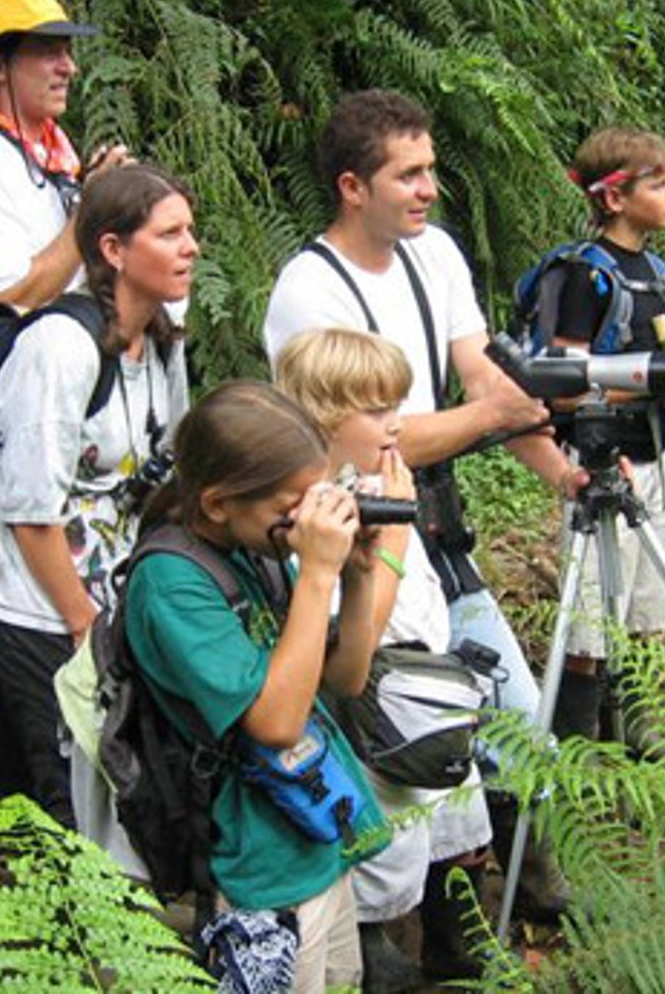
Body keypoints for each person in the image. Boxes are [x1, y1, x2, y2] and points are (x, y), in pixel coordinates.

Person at [263, 88, 579, 918]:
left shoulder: (433, 254)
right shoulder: (307, 288)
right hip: (356, 531)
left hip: (435, 524)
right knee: (402, 729)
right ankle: (434, 923)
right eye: (408, 175)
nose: (428, 189)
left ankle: (511, 894)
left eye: (431, 170)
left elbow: (484, 380)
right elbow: (368, 434)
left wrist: (560, 472)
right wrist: (490, 416)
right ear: (351, 186)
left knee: (507, 713)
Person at [0, 164, 192, 833]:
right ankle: (58, 923)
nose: (191, 247)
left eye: (190, 231)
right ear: (112, 250)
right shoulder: (60, 345)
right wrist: (83, 623)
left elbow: (168, 470)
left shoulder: (163, 341)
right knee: (64, 788)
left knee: (102, 775)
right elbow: (29, 512)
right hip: (28, 597)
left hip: (100, 587)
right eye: (169, 234)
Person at [125, 380, 389, 993]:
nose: (302, 520)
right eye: (290, 505)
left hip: (314, 836)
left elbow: (345, 681)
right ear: (218, 504)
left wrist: (356, 577)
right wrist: (317, 571)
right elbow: (276, 723)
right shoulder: (172, 583)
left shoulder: (256, 542)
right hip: (258, 870)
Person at [276, 328, 496, 987]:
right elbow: (354, 641)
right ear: (324, 414)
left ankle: (458, 959)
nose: (395, 423)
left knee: (456, 834)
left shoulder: (375, 476)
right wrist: (395, 530)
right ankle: (386, 965)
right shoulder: (316, 511)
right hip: (373, 710)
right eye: (376, 410)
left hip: (428, 691)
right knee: (387, 865)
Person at [545, 126, 665, 739]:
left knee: (647, 616)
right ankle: (578, 757)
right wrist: (659, 381)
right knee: (591, 624)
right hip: (599, 467)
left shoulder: (655, 269)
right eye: (661, 184)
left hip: (653, 461)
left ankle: (640, 744)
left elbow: (656, 357)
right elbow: (562, 384)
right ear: (615, 198)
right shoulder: (585, 276)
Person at [0, 0, 131, 339]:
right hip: (4, 389)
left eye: (67, 52)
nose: (68, 67)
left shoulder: (57, 158)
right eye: (48, 52)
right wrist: (89, 211)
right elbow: (8, 301)